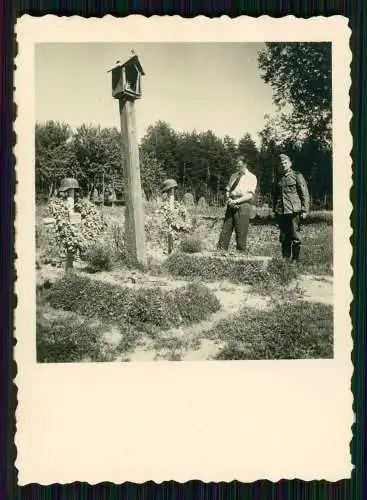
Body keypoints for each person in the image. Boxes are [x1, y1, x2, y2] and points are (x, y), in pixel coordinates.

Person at [272, 153, 310, 262]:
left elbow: (305, 194)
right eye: (281, 163)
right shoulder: (278, 178)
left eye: (285, 163)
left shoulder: (297, 176)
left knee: (295, 235)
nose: (283, 165)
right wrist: (275, 210)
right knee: (284, 237)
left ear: (290, 163)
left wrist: (304, 210)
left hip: (294, 211)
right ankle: (285, 260)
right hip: (281, 211)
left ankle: (295, 260)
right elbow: (276, 196)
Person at [217, 158, 258, 253]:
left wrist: (237, 201)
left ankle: (240, 254)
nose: (237, 168)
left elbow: (250, 195)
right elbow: (228, 190)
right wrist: (229, 199)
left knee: (241, 231)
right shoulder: (233, 176)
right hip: (231, 202)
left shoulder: (251, 177)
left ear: (245, 164)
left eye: (239, 166)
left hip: (243, 204)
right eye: (236, 166)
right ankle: (221, 252)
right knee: (226, 229)